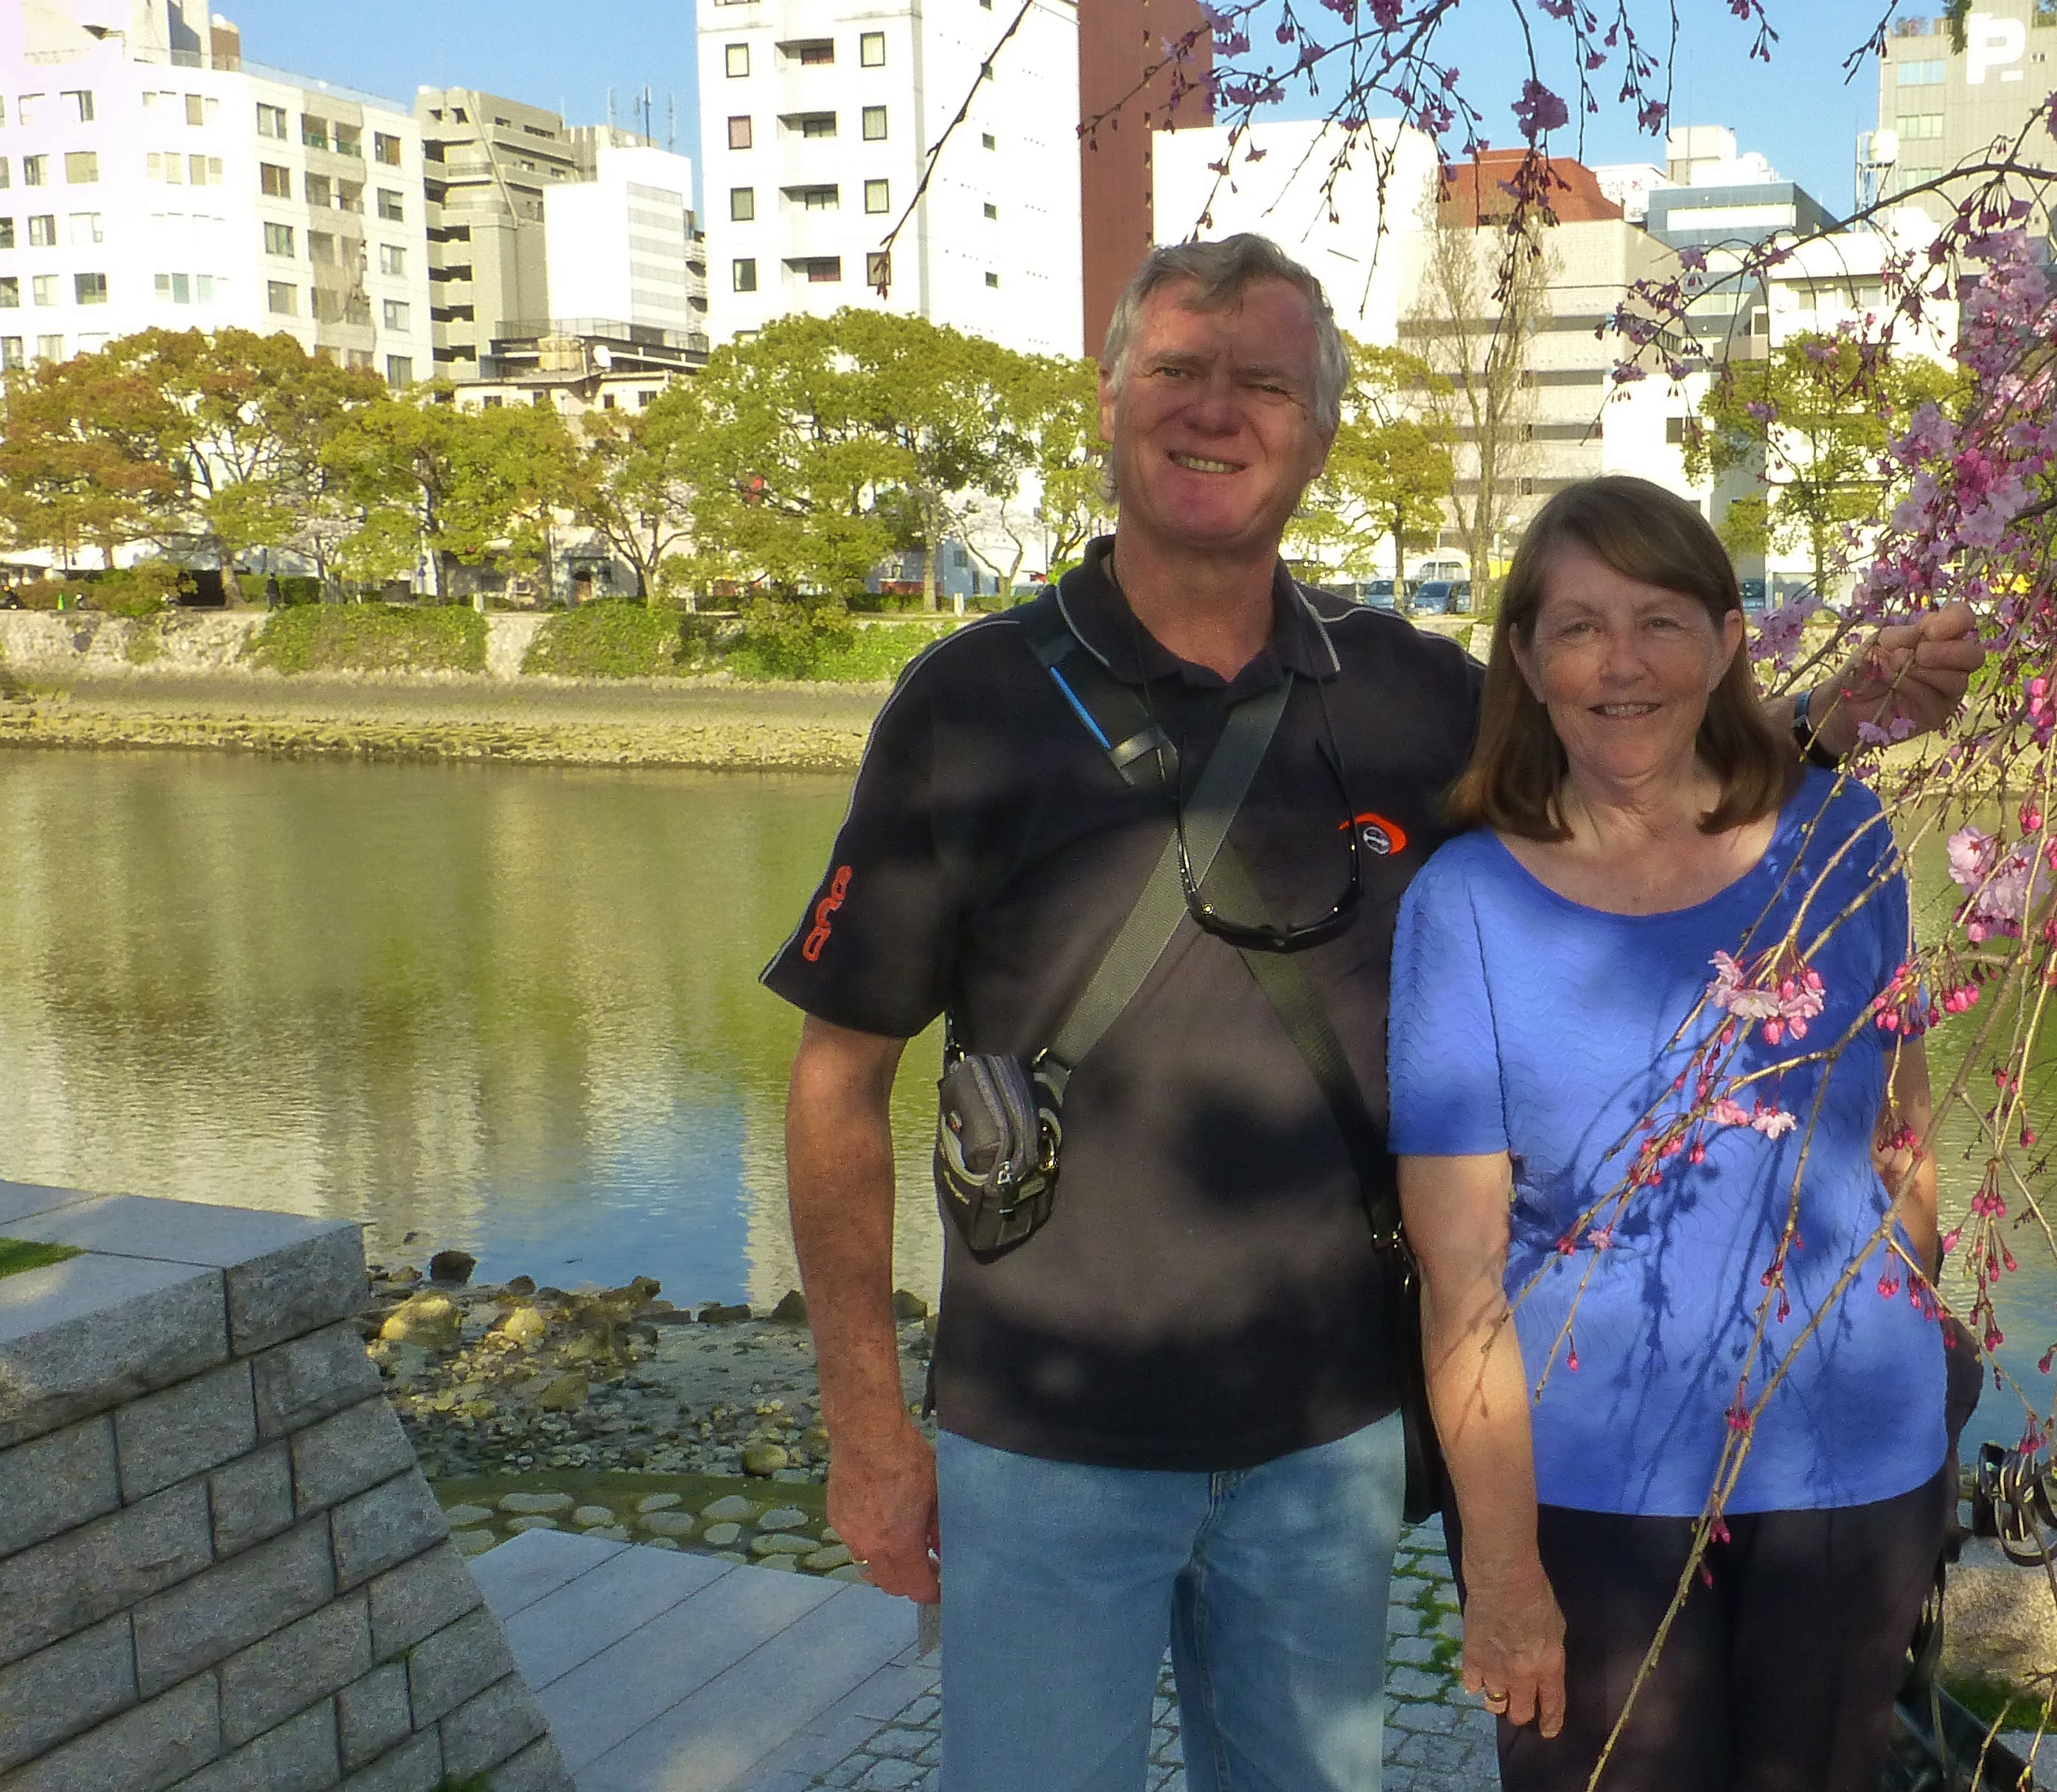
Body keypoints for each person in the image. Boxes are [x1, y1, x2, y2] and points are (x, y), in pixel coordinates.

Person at [766, 237, 1977, 1792]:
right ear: (1112, 398)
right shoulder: (971, 702)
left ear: (1319, 430)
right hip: (1047, 1428)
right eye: (1180, 371)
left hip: (1328, 1437)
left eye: (1264, 381)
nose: (1217, 411)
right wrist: (867, 1425)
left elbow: (1628, 754)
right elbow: (836, 1079)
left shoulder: (1403, 691)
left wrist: (1839, 712)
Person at [1387, 475, 1949, 1792]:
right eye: (1578, 627)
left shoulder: (1843, 837)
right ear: (1525, 659)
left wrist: (1920, 1329)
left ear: (1729, 639)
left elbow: (1904, 1137)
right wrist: (1503, 1568)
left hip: (1851, 1466)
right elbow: (1461, 1280)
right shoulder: (1466, 904)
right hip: (1593, 1492)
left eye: (1659, 620)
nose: (1621, 663)